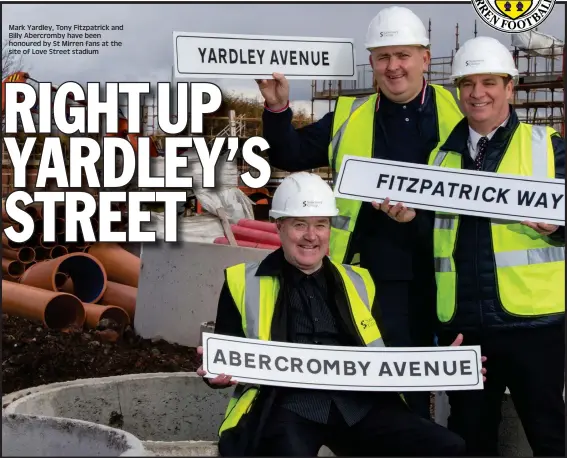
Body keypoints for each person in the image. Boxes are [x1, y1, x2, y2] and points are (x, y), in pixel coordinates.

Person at [257, 6, 464, 419]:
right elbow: (290, 154)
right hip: (370, 280)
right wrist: (278, 109)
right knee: (386, 391)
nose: (394, 67)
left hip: (445, 276)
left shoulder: (460, 114)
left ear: (425, 58)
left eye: (403, 55)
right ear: (371, 62)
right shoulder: (349, 117)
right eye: (383, 57)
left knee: (457, 392)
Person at [195, 172, 486, 457]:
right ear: (278, 226)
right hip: (287, 404)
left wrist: (441, 365)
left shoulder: (359, 281)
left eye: (321, 225)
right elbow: (226, 356)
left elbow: (385, 354)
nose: (311, 236)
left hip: (359, 404)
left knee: (446, 446)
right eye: (300, 225)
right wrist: (215, 376)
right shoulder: (242, 282)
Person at [380, 36, 565, 457]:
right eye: (467, 84)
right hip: (465, 329)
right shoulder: (440, 161)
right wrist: (411, 221)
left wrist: (557, 227)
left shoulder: (547, 148)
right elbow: (437, 240)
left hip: (534, 327)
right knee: (469, 438)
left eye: (489, 82)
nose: (477, 93)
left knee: (550, 436)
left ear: (509, 88)